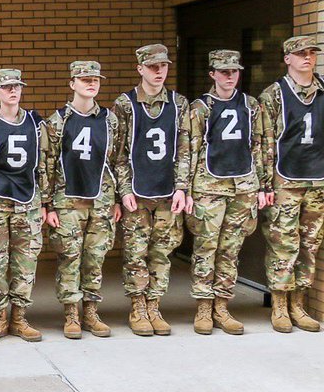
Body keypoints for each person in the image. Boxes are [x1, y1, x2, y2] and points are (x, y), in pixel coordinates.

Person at [176, 50, 267, 335]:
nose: (230, 76)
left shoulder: (251, 105)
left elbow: (260, 147)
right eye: (224, 72)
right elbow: (187, 150)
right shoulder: (200, 108)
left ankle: (222, 306)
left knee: (230, 250)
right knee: (206, 248)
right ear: (212, 74)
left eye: (234, 71)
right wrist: (184, 187)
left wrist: (262, 185)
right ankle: (203, 307)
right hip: (208, 187)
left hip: (243, 187)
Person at [41, 61, 124, 339]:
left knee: (95, 258)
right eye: (85, 79)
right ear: (72, 84)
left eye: (96, 79)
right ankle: (71, 314)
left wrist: (119, 198)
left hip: (100, 199)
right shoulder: (57, 121)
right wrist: (47, 203)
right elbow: (47, 164)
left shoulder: (110, 120)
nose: (91, 83)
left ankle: (90, 311)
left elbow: (117, 160)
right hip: (68, 200)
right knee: (69, 258)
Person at [113, 44, 190, 336]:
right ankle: (137, 307)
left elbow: (185, 149)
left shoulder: (178, 103)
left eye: (164, 66)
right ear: (140, 68)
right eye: (153, 67)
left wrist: (181, 187)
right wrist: (124, 190)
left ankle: (154, 305)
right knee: (135, 253)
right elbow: (118, 153)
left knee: (162, 252)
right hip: (137, 191)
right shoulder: (125, 104)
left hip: (167, 191)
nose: (160, 72)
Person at [0, 69, 48, 343]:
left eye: (17, 86)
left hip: (28, 202)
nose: (13, 91)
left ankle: (19, 317)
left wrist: (46, 201)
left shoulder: (36, 125)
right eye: (6, 87)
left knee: (26, 263)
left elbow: (44, 165)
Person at [259, 35, 324, 332]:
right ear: (287, 58)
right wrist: (266, 183)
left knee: (310, 244)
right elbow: (264, 143)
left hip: (318, 178)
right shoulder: (274, 94)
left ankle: (299, 303)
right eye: (300, 54)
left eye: (311, 53)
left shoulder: (323, 89)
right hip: (286, 179)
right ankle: (280, 305)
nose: (307, 58)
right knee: (283, 243)